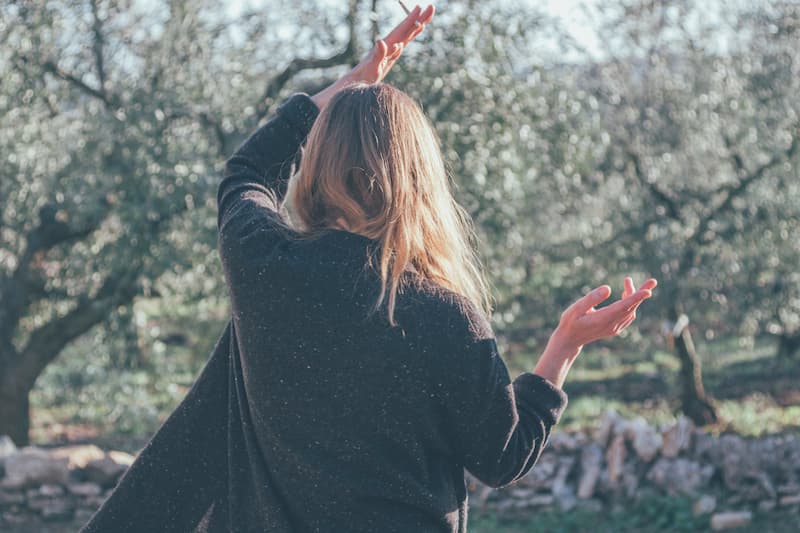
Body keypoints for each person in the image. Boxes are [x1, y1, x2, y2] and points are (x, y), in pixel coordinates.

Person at [80, 4, 656, 532]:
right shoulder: (443, 315)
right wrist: (564, 347)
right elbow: (501, 458)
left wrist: (346, 89)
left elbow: (247, 170)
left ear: (316, 162)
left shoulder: (262, 263)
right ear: (419, 181)